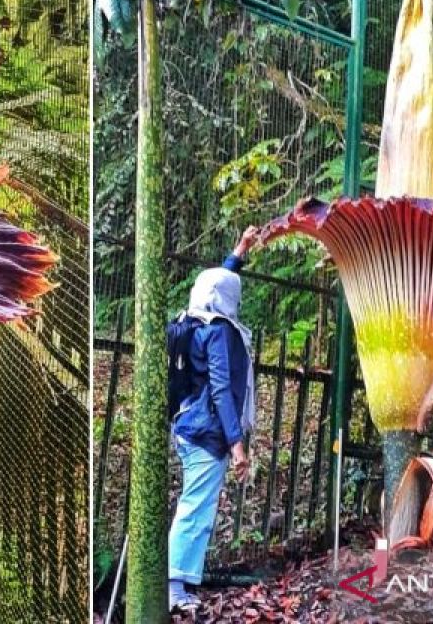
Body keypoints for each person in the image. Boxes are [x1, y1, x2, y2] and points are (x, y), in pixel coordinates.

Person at [167, 226, 259, 612]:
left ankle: (180, 586)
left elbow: (216, 284)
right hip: (207, 431)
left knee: (197, 506)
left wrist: (240, 250)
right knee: (195, 510)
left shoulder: (193, 320)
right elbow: (222, 389)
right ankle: (173, 590)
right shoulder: (220, 332)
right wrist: (237, 445)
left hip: (189, 423)